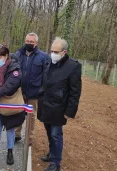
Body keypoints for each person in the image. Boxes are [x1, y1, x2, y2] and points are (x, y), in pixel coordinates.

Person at [38, 37, 82, 171]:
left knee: (56, 135)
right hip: (45, 104)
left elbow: (75, 91)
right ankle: (51, 154)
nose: (53, 54)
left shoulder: (73, 66)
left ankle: (56, 163)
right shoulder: (47, 62)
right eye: (51, 51)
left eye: (56, 52)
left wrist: (70, 111)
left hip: (59, 107)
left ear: (64, 52)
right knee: (49, 131)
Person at [14, 32, 49, 144]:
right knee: (18, 112)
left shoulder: (43, 56)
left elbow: (46, 75)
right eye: (27, 41)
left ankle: (29, 138)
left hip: (34, 91)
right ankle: (16, 134)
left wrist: (41, 90)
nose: (29, 43)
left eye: (31, 42)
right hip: (20, 90)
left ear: (36, 43)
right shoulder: (18, 54)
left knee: (31, 115)